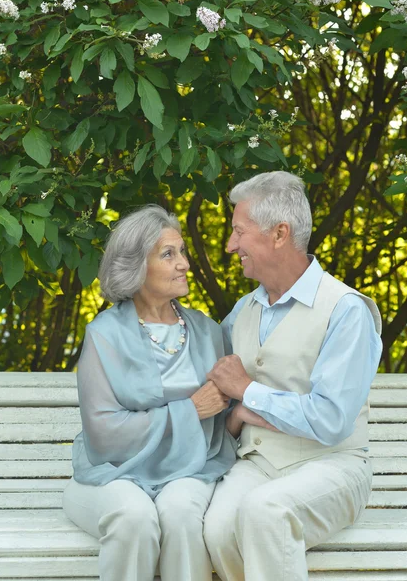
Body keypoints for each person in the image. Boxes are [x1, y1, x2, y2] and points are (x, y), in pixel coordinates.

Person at [203, 171, 383, 581]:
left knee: (265, 512)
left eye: (239, 232)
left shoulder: (346, 311)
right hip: (258, 463)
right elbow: (223, 396)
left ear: (279, 234)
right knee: (215, 528)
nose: (231, 245)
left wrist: (250, 393)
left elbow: (330, 420)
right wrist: (238, 413)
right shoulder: (242, 312)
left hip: (334, 466)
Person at [62, 205, 238, 581]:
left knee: (182, 516)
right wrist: (189, 411)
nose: (185, 264)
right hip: (114, 473)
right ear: (136, 267)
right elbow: (105, 435)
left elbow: (227, 417)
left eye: (183, 252)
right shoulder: (104, 335)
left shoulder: (208, 331)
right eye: (168, 254)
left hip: (192, 467)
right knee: (134, 518)